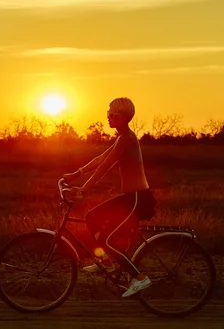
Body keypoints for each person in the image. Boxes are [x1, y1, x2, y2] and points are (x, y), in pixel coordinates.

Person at [63, 97, 157, 298]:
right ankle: (107, 262)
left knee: (108, 241)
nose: (108, 116)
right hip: (130, 197)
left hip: (138, 199)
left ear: (123, 117)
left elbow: (106, 166)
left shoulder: (127, 139)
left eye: (112, 114)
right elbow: (101, 158)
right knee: (91, 217)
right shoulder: (121, 137)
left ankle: (140, 278)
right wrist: (75, 174)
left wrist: (84, 189)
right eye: (108, 112)